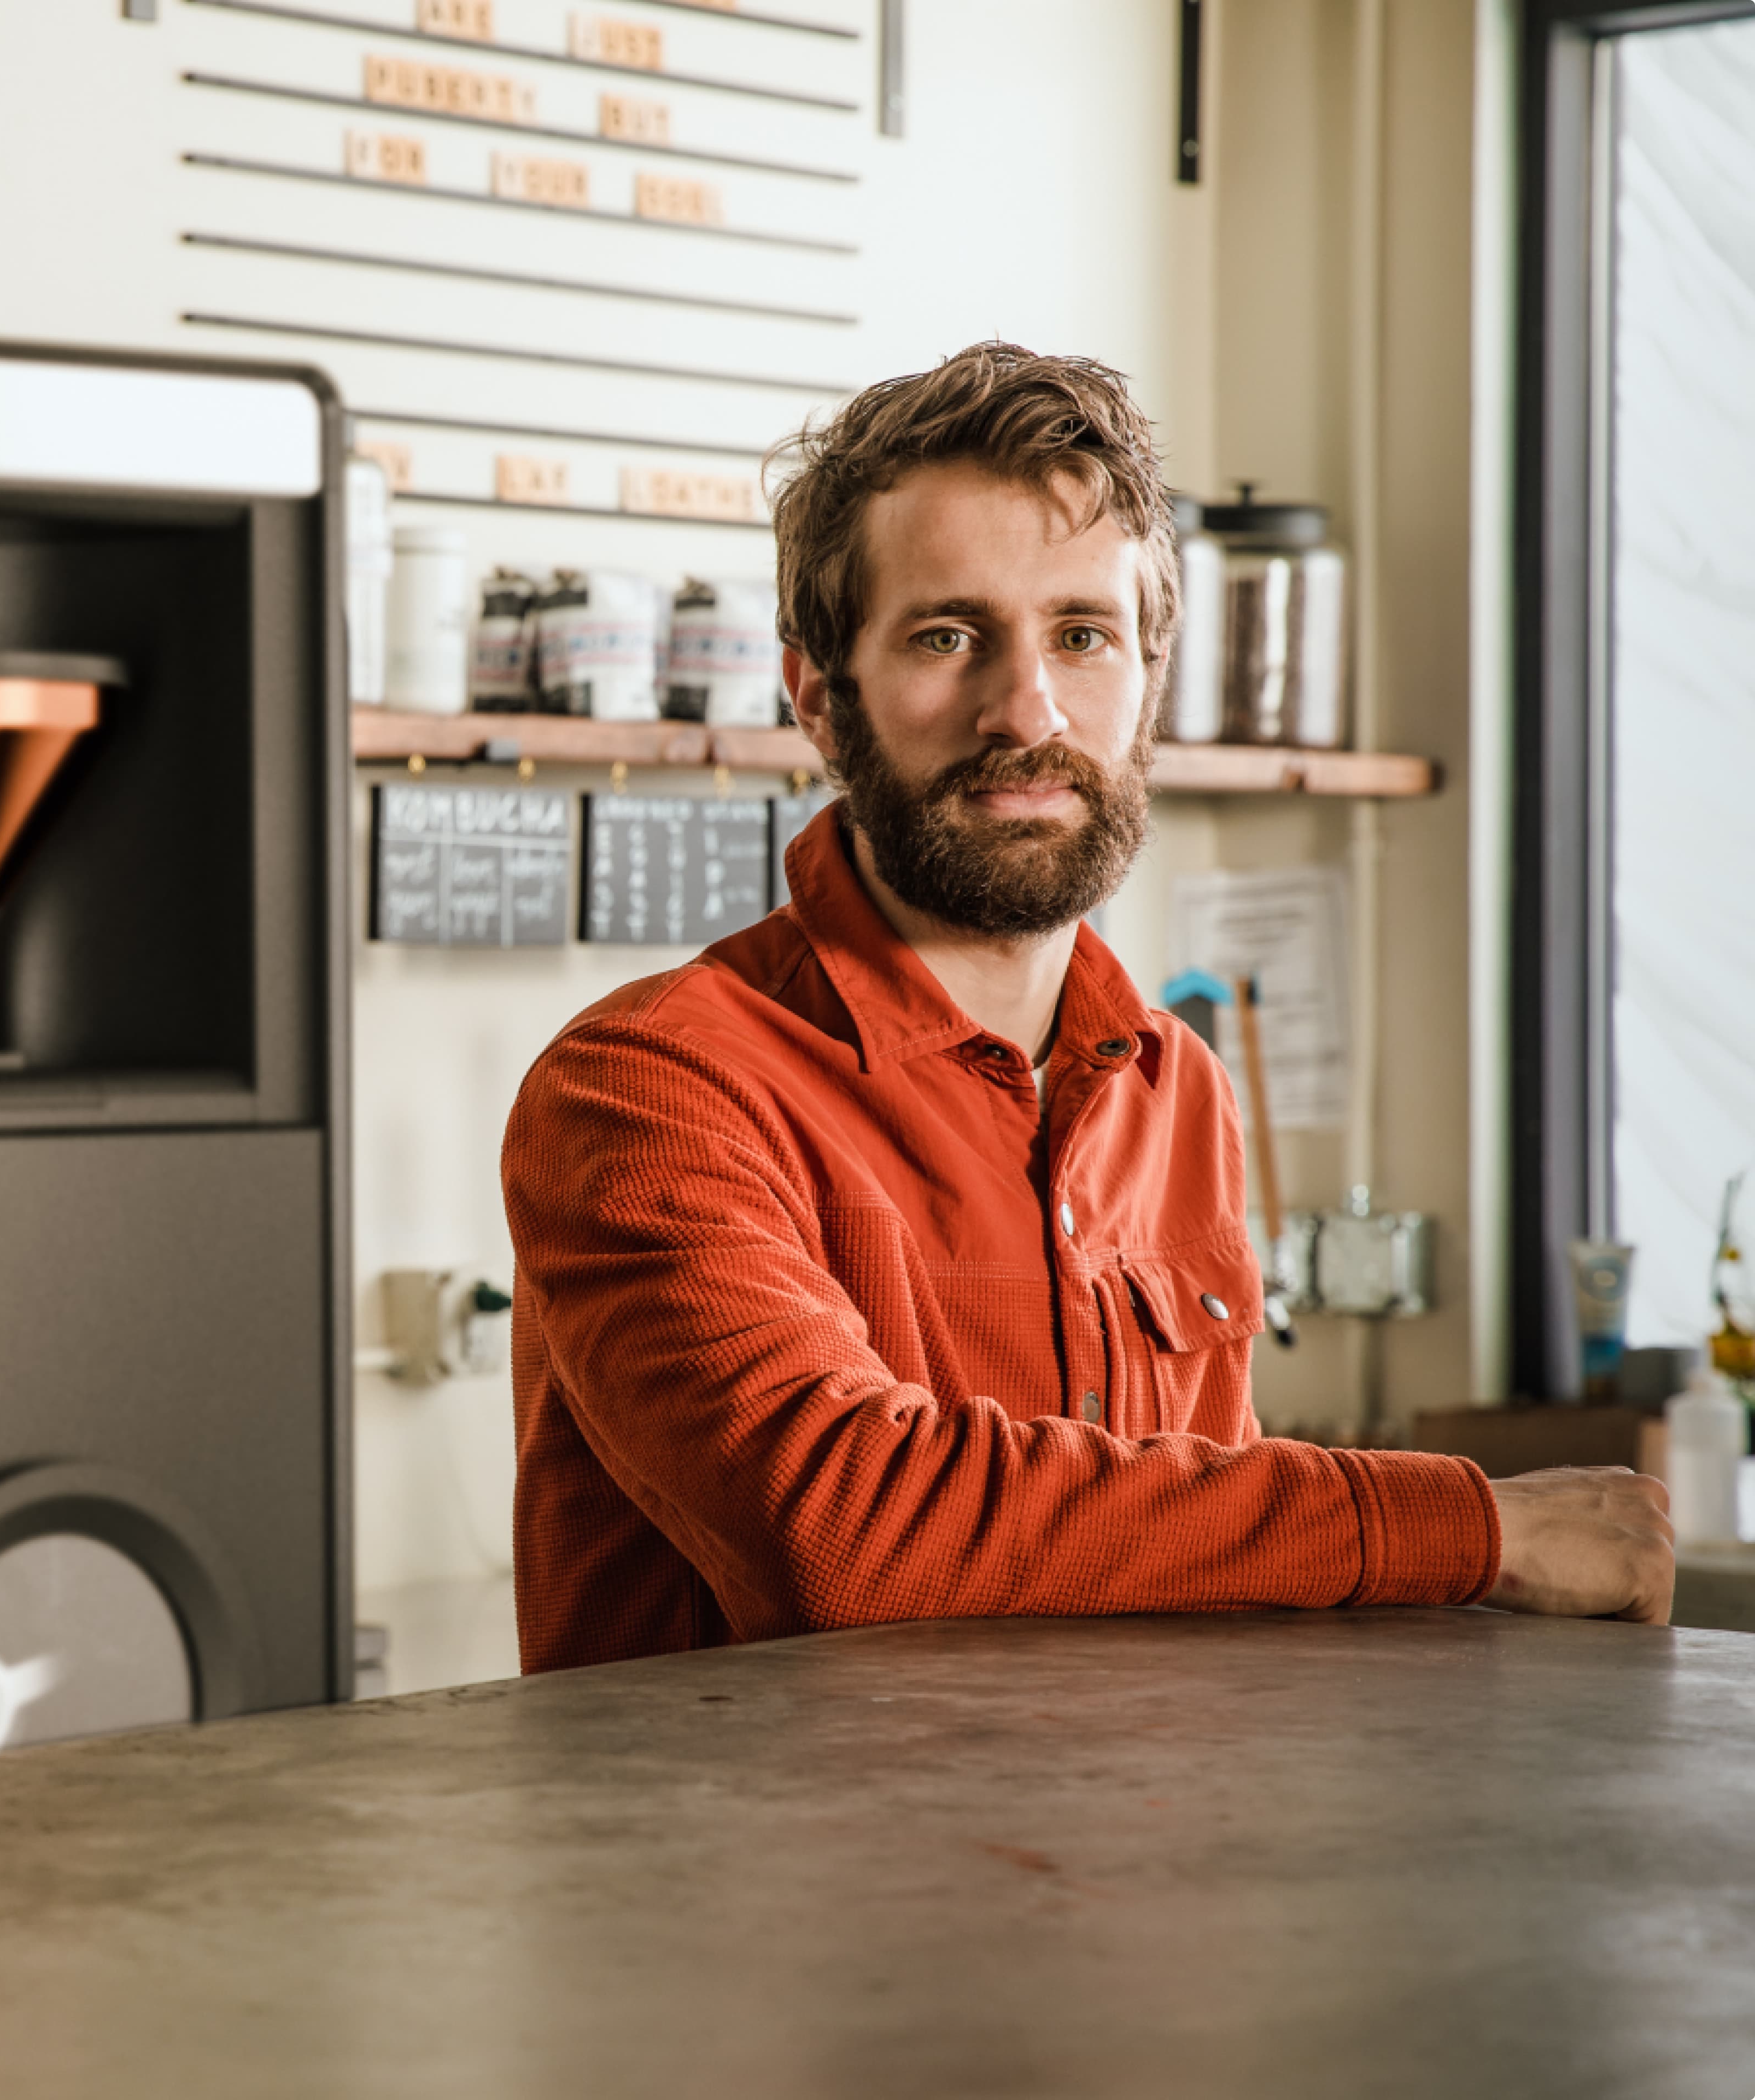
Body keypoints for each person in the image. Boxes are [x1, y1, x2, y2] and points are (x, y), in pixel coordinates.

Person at [501, 342, 1674, 1675]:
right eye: (949, 637)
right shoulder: (649, 1087)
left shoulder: (1176, 1089)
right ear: (822, 698)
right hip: (762, 1880)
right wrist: (1465, 1527)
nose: (1027, 711)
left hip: (1124, 1865)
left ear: (1149, 675)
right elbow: (842, 1530)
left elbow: (1196, 1559)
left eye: (1081, 635)